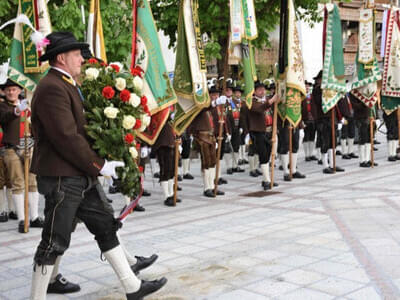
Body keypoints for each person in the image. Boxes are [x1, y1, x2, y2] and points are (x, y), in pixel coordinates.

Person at [29, 32, 166, 300]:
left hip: (76, 175)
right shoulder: (52, 88)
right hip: (62, 177)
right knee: (54, 240)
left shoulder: (65, 83)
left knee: (105, 224)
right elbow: (66, 137)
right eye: (77, 53)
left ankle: (132, 287)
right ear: (61, 57)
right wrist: (99, 164)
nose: (82, 58)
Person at [0, 79, 44, 232]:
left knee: (32, 182)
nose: (11, 92)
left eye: (14, 89)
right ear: (4, 92)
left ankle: (34, 217)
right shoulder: (3, 106)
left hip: (29, 146)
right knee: (17, 182)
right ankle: (21, 219)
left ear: (19, 90)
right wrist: (18, 110)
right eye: (8, 90)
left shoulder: (28, 104)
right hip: (11, 148)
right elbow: (5, 117)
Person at [189, 87, 224, 198]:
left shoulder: (211, 108)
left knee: (213, 161)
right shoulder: (200, 106)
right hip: (202, 137)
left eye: (216, 95)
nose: (215, 97)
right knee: (206, 162)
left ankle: (213, 186)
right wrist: (214, 103)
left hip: (211, 136)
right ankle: (206, 187)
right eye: (212, 95)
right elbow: (204, 108)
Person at [248, 81, 279, 190]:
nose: (262, 91)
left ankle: (267, 179)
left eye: (263, 89)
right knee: (263, 155)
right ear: (254, 91)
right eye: (259, 89)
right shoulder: (251, 101)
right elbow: (259, 109)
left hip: (270, 131)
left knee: (268, 155)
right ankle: (266, 180)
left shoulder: (266, 100)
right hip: (258, 132)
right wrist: (271, 101)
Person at [312, 71, 345, 174]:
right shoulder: (317, 90)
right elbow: (319, 102)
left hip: (332, 118)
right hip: (323, 118)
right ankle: (325, 165)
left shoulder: (330, 89)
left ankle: (332, 163)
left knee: (333, 141)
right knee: (324, 142)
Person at [153, 119, 180, 207]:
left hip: (170, 140)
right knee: (165, 169)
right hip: (162, 141)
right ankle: (166, 196)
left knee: (171, 169)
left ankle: (171, 194)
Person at [337, 93, 358, 160]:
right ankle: (344, 152)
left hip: (351, 115)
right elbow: (338, 107)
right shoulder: (339, 95)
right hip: (344, 117)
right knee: (344, 134)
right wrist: (340, 118)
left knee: (352, 133)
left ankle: (350, 151)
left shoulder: (350, 95)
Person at [302, 81, 318, 162]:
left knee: (312, 136)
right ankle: (306, 155)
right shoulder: (301, 96)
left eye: (308, 86)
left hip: (313, 118)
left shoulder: (312, 96)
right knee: (306, 136)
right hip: (305, 119)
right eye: (305, 86)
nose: (307, 88)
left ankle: (311, 154)